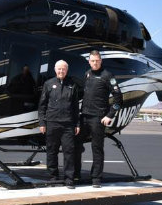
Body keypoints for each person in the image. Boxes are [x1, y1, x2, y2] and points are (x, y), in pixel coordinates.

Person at [75, 50, 123, 188]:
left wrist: (109, 115)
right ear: (89, 61)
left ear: (101, 61)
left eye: (97, 60)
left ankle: (96, 178)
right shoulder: (87, 74)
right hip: (84, 116)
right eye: (92, 60)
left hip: (98, 118)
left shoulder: (108, 76)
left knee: (97, 148)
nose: (95, 63)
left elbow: (118, 98)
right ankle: (76, 174)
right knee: (76, 146)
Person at [38, 60, 80, 188]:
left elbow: (75, 107)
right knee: (51, 151)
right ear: (55, 70)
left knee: (69, 152)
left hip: (68, 124)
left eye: (63, 69)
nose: (61, 71)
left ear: (67, 70)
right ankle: (53, 177)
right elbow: (42, 105)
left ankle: (69, 179)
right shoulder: (48, 84)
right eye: (59, 69)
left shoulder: (72, 85)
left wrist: (77, 124)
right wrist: (42, 122)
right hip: (52, 123)